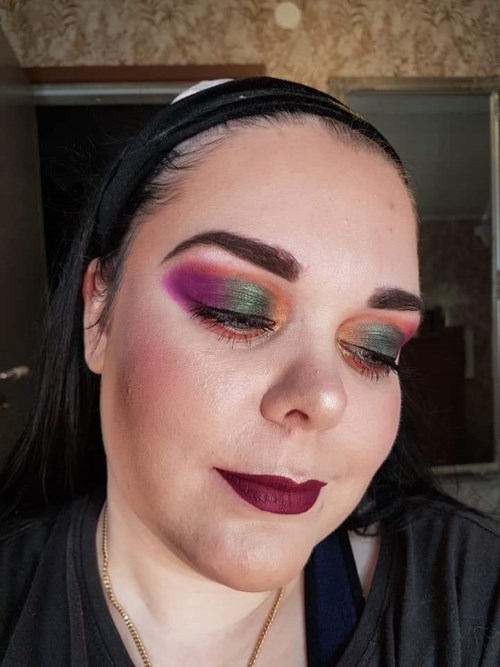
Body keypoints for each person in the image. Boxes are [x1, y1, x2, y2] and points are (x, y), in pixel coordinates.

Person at [0, 76, 498, 667]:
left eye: (375, 347)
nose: (324, 398)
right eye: (238, 309)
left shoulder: (473, 596)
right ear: (98, 316)